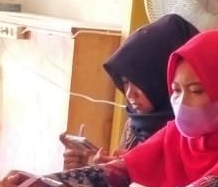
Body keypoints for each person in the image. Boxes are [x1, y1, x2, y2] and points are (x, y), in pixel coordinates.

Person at [0, 29, 218, 187]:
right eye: (176, 90)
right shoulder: (177, 134)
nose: (182, 102)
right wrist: (37, 184)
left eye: (197, 90)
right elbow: (116, 174)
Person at [60, 13, 198, 169]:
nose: (130, 94)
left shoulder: (191, 133)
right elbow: (125, 181)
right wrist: (85, 169)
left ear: (164, 77)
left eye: (140, 82)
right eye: (125, 83)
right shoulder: (134, 125)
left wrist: (126, 170)